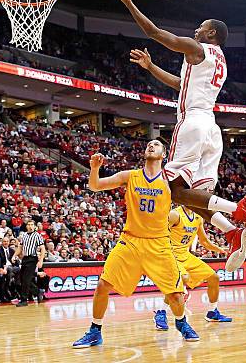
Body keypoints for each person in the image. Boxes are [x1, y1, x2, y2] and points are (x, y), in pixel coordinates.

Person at [109, 0, 246, 272]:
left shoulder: (198, 48)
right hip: (211, 129)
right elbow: (182, 85)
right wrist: (151, 67)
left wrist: (127, 1)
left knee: (169, 189)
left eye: (200, 27)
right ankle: (231, 231)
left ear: (212, 34)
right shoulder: (221, 62)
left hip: (192, 123)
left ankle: (238, 209)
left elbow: (155, 32)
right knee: (191, 198)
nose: (195, 31)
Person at [72, 140, 199, 348]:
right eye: (149, 144)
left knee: (176, 296)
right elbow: (95, 186)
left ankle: (181, 322)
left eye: (156, 144)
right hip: (130, 241)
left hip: (159, 244)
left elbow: (194, 198)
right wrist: (94, 169)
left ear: (164, 154)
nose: (151, 145)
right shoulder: (130, 176)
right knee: (103, 285)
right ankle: (95, 331)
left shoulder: (171, 181)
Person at [154, 206, 231, 330]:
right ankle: (161, 312)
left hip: (185, 255)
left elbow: (204, 241)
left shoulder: (198, 217)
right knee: (183, 279)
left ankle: (212, 312)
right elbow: (157, 233)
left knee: (214, 278)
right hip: (170, 255)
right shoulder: (174, 214)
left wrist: (221, 250)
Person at [15, 220, 45, 307]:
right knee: (21, 278)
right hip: (25, 258)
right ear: (26, 226)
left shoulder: (37, 235)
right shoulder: (24, 235)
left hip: (33, 258)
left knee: (26, 280)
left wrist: (41, 261)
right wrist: (14, 255)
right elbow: (20, 247)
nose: (30, 226)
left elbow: (43, 248)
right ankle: (37, 291)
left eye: (32, 224)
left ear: (35, 226)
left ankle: (24, 300)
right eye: (29, 224)